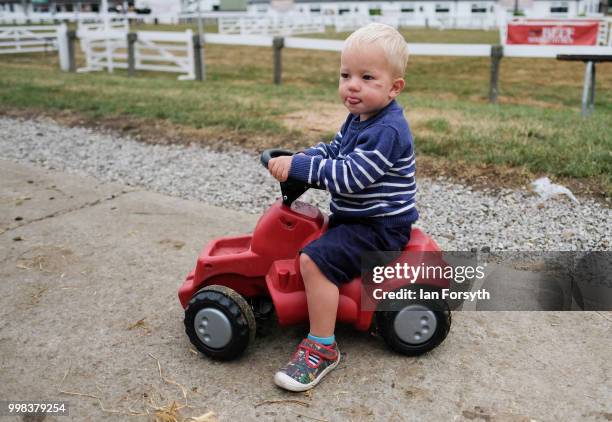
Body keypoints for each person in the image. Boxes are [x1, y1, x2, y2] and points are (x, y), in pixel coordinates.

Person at [267, 22, 418, 392]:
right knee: (303, 235)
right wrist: (301, 156)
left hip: (379, 227)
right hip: (357, 218)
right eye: (346, 74)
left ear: (394, 87)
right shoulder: (359, 117)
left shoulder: (388, 130)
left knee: (313, 261)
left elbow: (351, 177)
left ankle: (322, 346)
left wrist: (301, 168)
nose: (352, 85)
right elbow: (335, 152)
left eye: (367, 77)